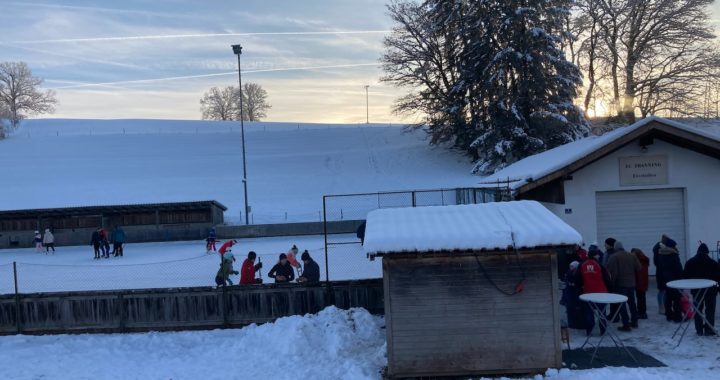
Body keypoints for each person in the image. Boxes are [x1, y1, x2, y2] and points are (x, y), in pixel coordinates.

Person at [683, 243, 720, 336]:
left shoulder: (690, 262)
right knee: (710, 310)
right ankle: (709, 330)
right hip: (710, 291)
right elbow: (718, 278)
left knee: (697, 309)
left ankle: (699, 329)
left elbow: (685, 277)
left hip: (696, 290)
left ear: (698, 251)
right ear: (707, 252)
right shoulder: (713, 263)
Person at [606, 241, 641, 331]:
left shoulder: (614, 257)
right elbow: (639, 268)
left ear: (615, 248)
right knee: (632, 303)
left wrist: (611, 283)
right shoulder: (632, 255)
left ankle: (626, 324)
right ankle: (634, 321)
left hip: (620, 284)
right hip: (631, 284)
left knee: (621, 305)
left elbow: (612, 271)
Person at [575, 249, 610, 336]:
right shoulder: (600, 265)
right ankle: (603, 330)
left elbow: (577, 279)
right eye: (597, 255)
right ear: (595, 256)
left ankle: (589, 330)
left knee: (589, 312)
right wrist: (609, 289)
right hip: (601, 292)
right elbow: (607, 279)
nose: (599, 256)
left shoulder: (582, 265)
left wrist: (580, 287)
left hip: (588, 292)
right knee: (602, 312)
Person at [656, 237, 684, 323]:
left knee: (668, 298)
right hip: (675, 281)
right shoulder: (673, 256)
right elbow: (678, 269)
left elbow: (659, 269)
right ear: (671, 247)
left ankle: (669, 315)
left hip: (666, 280)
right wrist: (682, 280)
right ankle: (677, 317)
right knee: (676, 299)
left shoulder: (660, 255)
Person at [562, 261, 585, 330]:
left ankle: (578, 324)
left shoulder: (578, 273)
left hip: (576, 293)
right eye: (570, 266)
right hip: (571, 294)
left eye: (572, 266)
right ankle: (572, 323)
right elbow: (566, 281)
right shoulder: (569, 272)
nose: (570, 267)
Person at [631, 248, 650, 319]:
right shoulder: (644, 260)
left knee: (640, 298)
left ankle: (642, 313)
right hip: (643, 282)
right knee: (641, 298)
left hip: (640, 282)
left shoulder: (640, 262)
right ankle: (641, 312)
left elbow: (639, 274)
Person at [653, 235, 668, 315]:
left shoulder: (658, 249)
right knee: (662, 290)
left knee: (664, 290)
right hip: (661, 273)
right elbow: (657, 263)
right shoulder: (659, 250)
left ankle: (664, 307)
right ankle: (661, 307)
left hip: (662, 273)